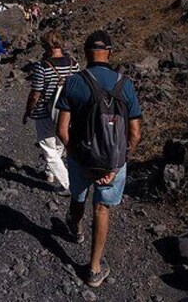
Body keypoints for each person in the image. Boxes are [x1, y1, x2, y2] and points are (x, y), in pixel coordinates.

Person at [56, 30, 142, 288]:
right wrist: (119, 163)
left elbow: (62, 130)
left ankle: (77, 228)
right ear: (111, 53)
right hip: (113, 162)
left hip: (81, 157)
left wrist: (79, 159)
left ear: (85, 53)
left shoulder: (74, 82)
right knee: (102, 208)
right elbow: (135, 133)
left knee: (78, 197)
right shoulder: (125, 84)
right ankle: (94, 269)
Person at [24, 30, 80, 194]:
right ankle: (50, 173)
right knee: (60, 143)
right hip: (68, 111)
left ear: (46, 45)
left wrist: (28, 111)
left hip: (45, 111)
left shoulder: (42, 66)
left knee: (48, 148)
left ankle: (67, 184)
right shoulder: (74, 63)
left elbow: (36, 93)